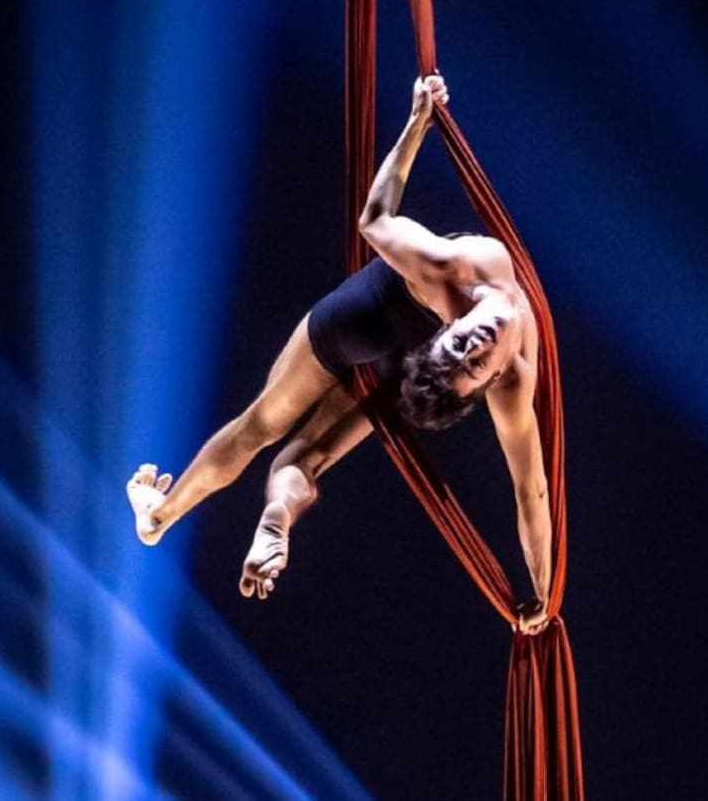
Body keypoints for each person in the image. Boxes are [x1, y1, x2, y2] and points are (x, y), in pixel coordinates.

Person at [127, 75, 551, 634]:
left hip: (383, 353)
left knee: (278, 440)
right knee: (271, 431)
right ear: (446, 327)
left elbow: (531, 489)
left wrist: (542, 595)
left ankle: (206, 518)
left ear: (492, 381)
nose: (476, 343)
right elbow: (373, 222)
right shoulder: (450, 272)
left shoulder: (506, 370)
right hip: (370, 325)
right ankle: (167, 516)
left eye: (473, 361)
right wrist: (417, 123)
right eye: (463, 342)